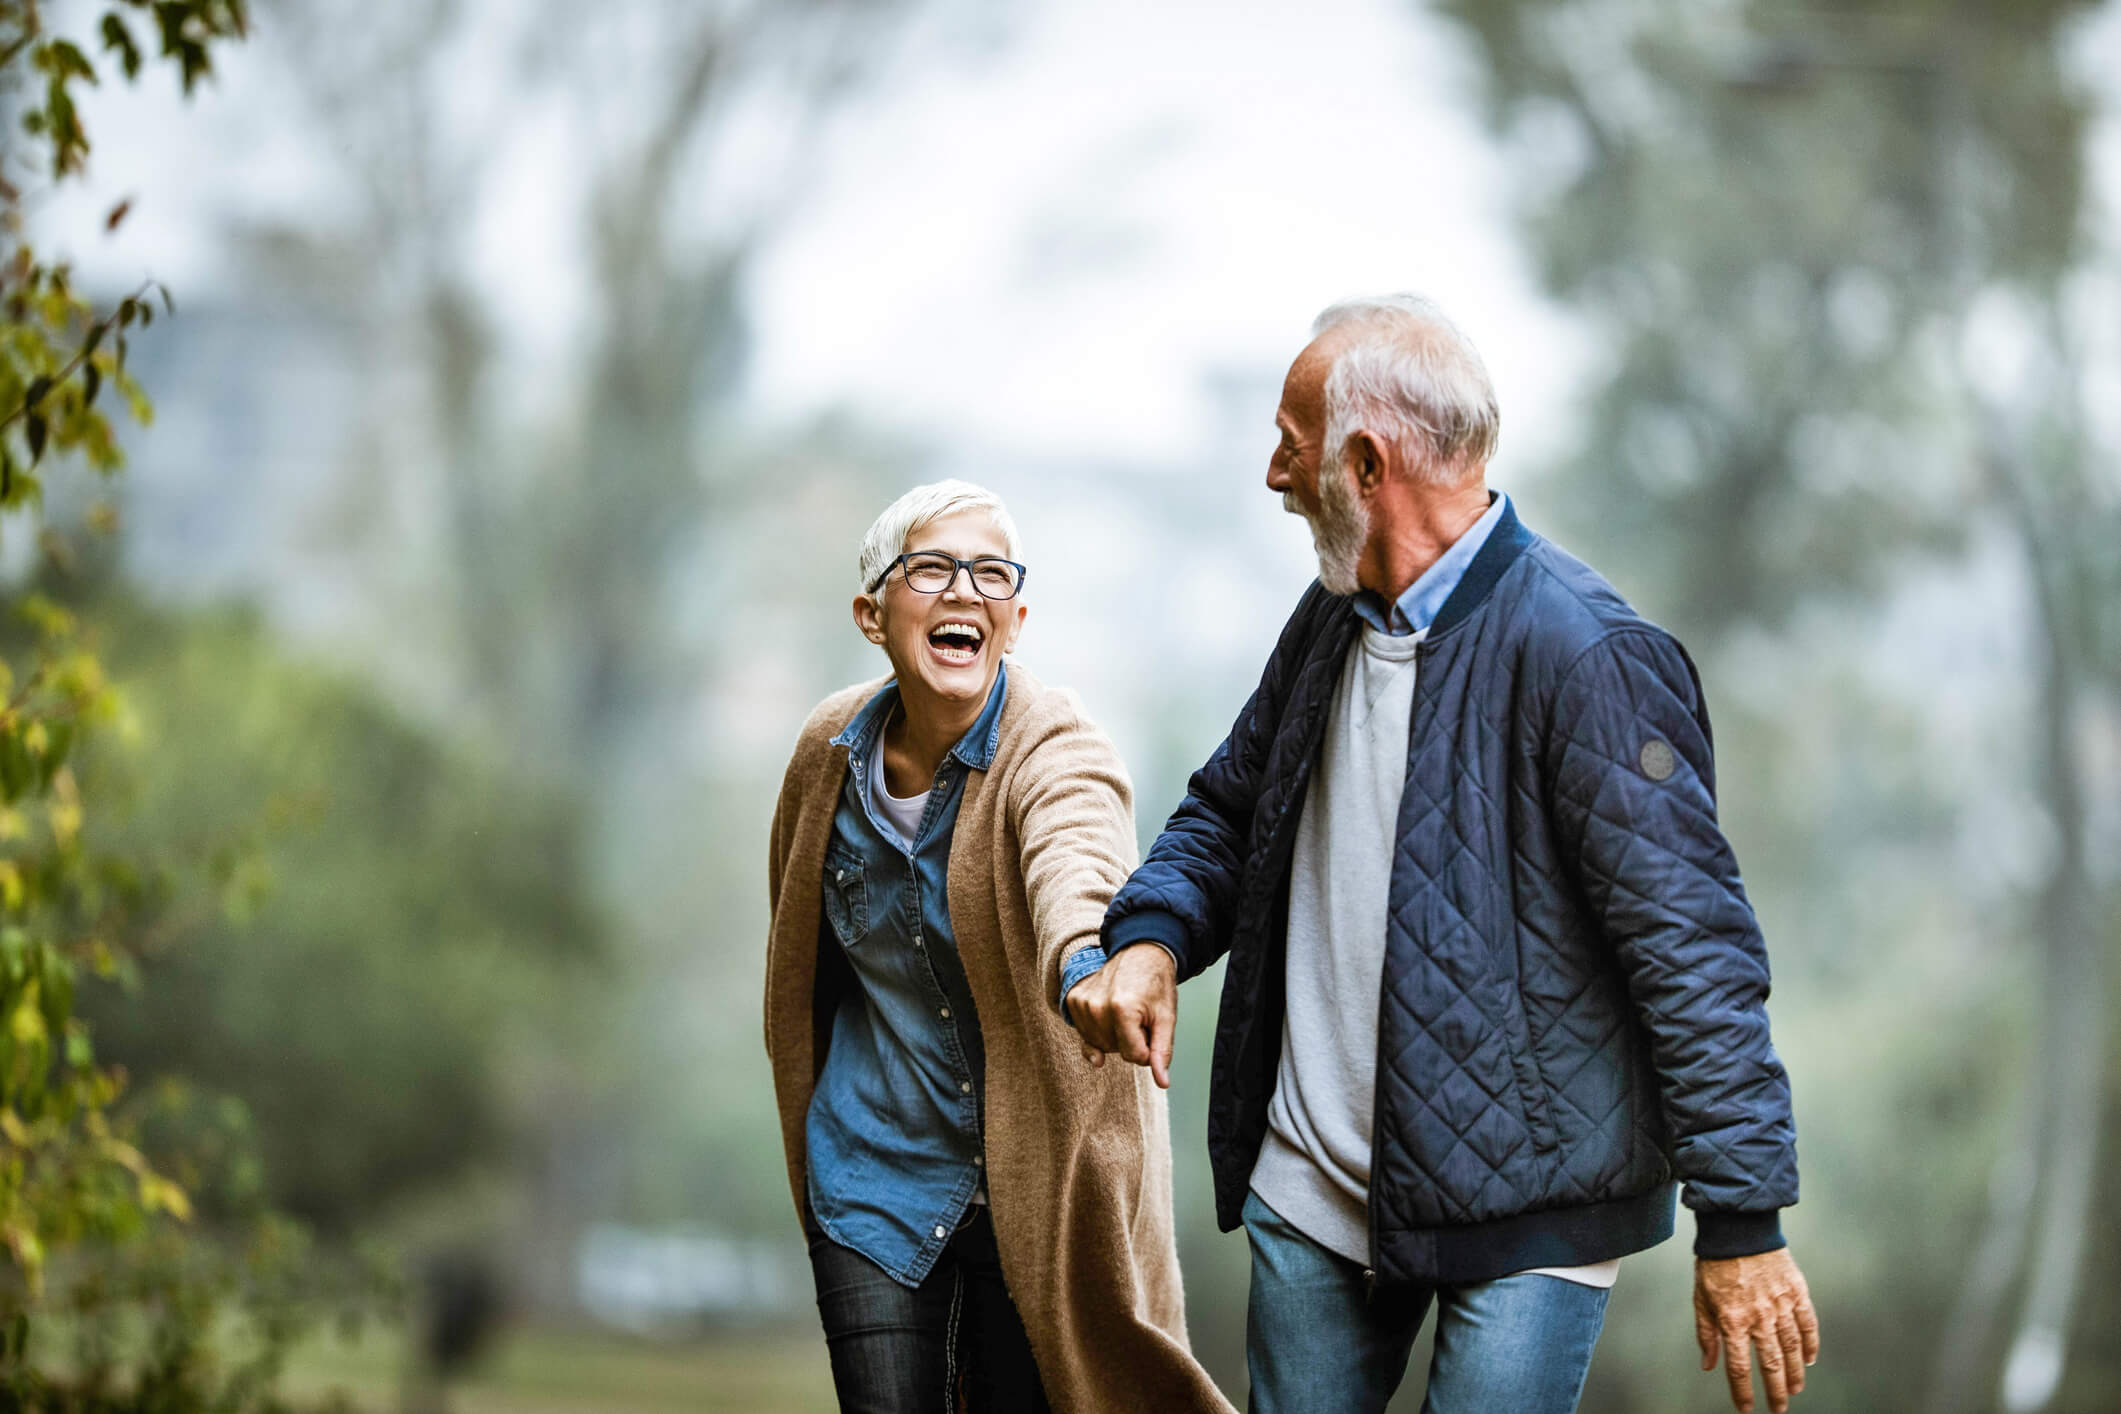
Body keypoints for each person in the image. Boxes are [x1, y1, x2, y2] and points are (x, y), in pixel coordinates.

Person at [1068, 296, 1821, 1414]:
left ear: (1365, 463)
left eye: (1290, 440)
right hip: (1313, 1192)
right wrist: (1150, 937)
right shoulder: (1328, 618)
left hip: (1531, 1213)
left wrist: (1744, 1221)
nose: (1274, 473)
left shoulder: (1590, 655)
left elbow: (1692, 952)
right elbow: (1230, 809)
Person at [762, 479, 1233, 1414]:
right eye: (931, 568)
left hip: (1036, 1186)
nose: (963, 592)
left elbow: (1078, 858)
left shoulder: (1052, 744)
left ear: (1014, 619)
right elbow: (797, 953)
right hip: (871, 1169)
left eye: (989, 575)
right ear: (872, 613)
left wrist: (1086, 966)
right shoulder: (827, 755)